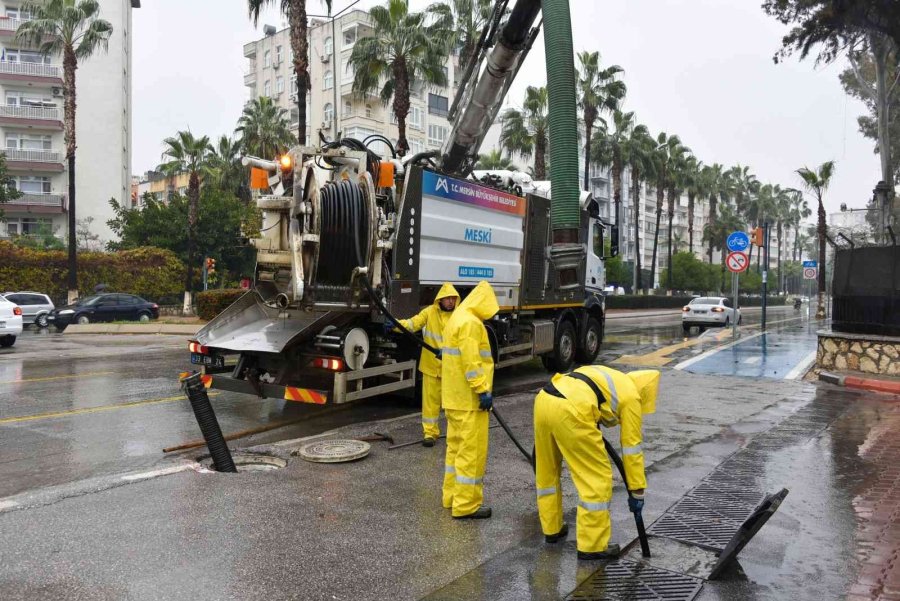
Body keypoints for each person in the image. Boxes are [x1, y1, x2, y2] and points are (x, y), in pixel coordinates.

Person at [533, 365, 659, 560]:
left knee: (547, 469)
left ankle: (552, 528)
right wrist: (637, 490)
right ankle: (592, 545)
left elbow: (586, 389)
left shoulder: (614, 378)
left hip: (544, 398)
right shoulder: (633, 398)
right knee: (596, 478)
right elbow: (631, 449)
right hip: (572, 409)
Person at [440, 281, 499, 519]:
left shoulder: (456, 317)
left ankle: (451, 496)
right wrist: (483, 390)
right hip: (469, 402)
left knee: (454, 450)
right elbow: (472, 363)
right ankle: (466, 505)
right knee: (471, 454)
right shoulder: (471, 324)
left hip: (453, 399)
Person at [387, 283, 460, 446]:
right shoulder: (429, 312)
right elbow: (413, 324)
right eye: (447, 298)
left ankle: (455, 435)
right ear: (440, 300)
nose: (450, 301)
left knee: (452, 404)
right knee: (430, 404)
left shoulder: (459, 316)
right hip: (431, 367)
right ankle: (430, 434)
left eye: (453, 298)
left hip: (451, 368)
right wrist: (396, 325)